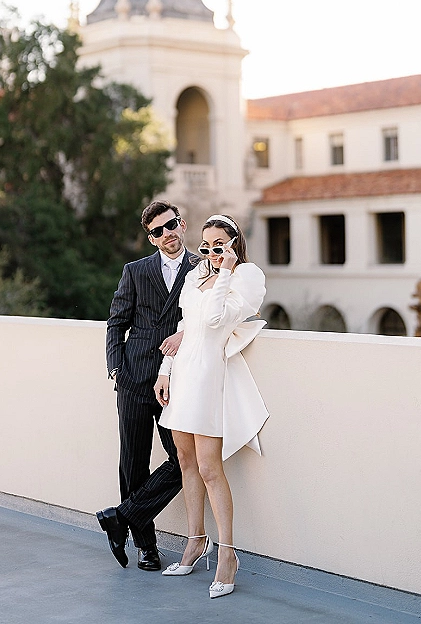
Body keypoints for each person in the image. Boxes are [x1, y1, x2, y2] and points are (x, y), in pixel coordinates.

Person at [154, 214, 268, 599]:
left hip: (208, 375)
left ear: (233, 242)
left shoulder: (247, 276)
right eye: (205, 246)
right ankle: (195, 540)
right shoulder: (195, 274)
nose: (211, 252)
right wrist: (165, 369)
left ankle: (228, 554)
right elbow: (185, 324)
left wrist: (226, 269)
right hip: (183, 371)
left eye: (218, 245)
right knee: (185, 461)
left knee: (208, 467)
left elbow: (218, 318)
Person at [96, 201, 199, 571]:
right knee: (133, 464)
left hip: (180, 382)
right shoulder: (135, 271)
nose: (166, 234)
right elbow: (115, 322)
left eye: (170, 225)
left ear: (182, 225)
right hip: (135, 380)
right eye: (157, 231)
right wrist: (116, 370)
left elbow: (207, 319)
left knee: (184, 460)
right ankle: (146, 547)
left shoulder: (203, 270)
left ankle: (121, 517)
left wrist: (184, 334)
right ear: (151, 238)